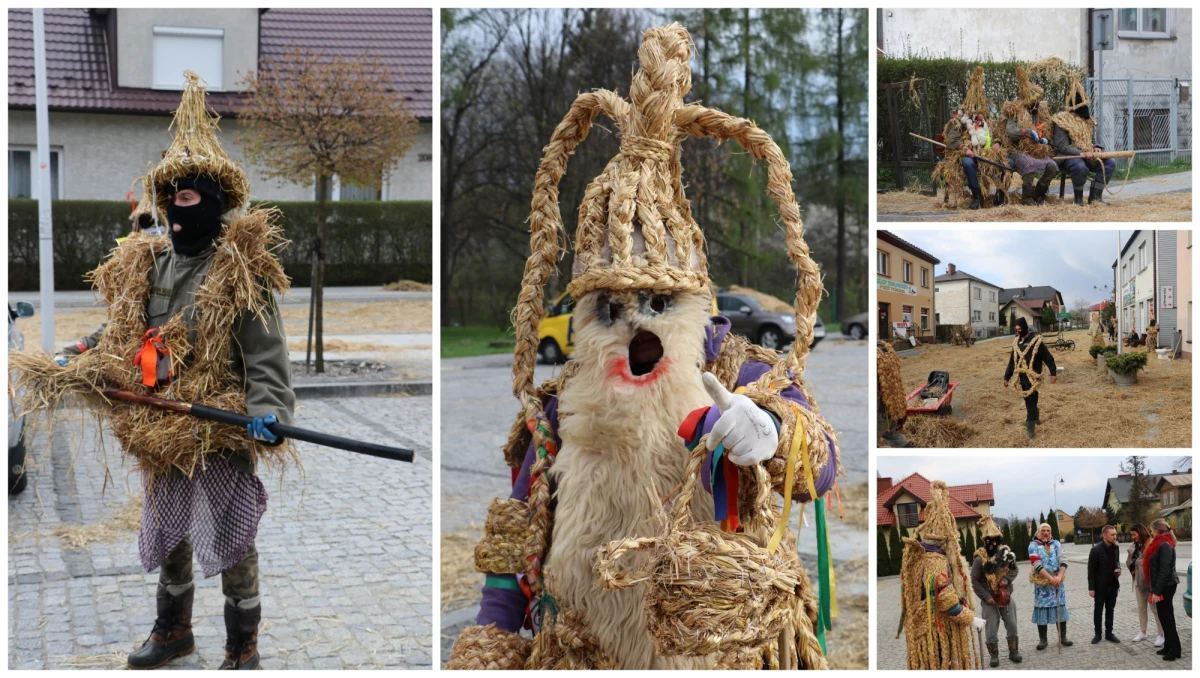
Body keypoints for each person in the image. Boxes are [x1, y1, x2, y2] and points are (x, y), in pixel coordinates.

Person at [446, 23, 839, 670]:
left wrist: (768, 431)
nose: (637, 327)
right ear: (584, 311)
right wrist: (494, 637)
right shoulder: (560, 405)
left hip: (718, 645)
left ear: (692, 297)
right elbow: (518, 534)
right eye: (612, 307)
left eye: (658, 302)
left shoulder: (737, 368)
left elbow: (817, 467)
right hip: (586, 648)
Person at [53, 72, 293, 670]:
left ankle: (243, 647)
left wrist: (270, 411)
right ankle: (173, 631)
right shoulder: (153, 265)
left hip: (220, 424)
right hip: (164, 422)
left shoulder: (240, 270)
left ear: (211, 202)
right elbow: (123, 332)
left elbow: (266, 356)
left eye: (186, 200)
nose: (174, 211)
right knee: (169, 535)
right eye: (169, 200)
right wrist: (79, 350)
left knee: (233, 536)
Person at [899, 481, 978, 669]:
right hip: (935, 629)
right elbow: (942, 594)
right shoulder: (934, 558)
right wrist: (968, 617)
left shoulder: (926, 554)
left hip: (927, 628)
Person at [1051, 78, 1117, 206]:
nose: (1081, 118)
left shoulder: (1087, 122)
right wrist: (1080, 153)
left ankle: (1095, 197)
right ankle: (1078, 200)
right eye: (1079, 116)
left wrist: (1096, 147)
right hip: (1068, 156)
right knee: (1079, 167)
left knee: (1109, 163)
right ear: (1073, 112)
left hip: (1088, 154)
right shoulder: (1061, 122)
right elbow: (1062, 145)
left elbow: (1089, 139)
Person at [999, 65, 1059, 204]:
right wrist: (1026, 132)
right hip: (1016, 150)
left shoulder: (1038, 114)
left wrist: (1044, 139)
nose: (1036, 103)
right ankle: (1027, 197)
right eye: (1034, 100)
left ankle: (1038, 194)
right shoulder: (1016, 111)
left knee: (1052, 166)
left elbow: (1044, 130)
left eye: (1038, 101)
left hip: (1035, 151)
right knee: (1028, 164)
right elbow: (1010, 131)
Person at [971, 515, 1022, 666]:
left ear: (999, 540)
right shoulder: (979, 559)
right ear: (984, 540)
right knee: (991, 628)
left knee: (1012, 624)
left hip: (1005, 596)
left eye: (995, 540)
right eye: (989, 540)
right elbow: (974, 580)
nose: (992, 543)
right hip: (989, 599)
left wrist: (1006, 580)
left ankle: (1014, 651)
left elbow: (1015, 570)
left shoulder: (1006, 555)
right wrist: (986, 597)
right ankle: (994, 655)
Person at [1003, 317, 1057, 439]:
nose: (1018, 332)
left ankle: (1030, 427)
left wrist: (1053, 373)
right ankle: (1034, 418)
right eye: (1016, 330)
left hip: (1033, 378)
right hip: (1021, 377)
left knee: (1031, 400)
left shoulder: (1036, 341)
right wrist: (1006, 377)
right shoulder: (1016, 343)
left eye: (1020, 329)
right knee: (1028, 400)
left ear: (1025, 328)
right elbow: (1012, 362)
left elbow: (1048, 357)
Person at [1028, 522, 1072, 650]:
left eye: (1048, 530)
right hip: (1042, 585)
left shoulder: (1056, 544)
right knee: (1042, 609)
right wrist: (1050, 578)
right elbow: (1036, 563)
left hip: (1057, 584)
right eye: (1043, 531)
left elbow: (1064, 559)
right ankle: (1043, 639)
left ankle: (1063, 637)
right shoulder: (1033, 545)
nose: (1046, 533)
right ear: (1039, 532)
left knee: (1060, 608)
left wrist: (1059, 577)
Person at [1146, 519, 1181, 661]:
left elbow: (1165, 570)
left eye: (1152, 530)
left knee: (1167, 618)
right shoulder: (1159, 543)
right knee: (1164, 617)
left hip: (1167, 585)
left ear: (1158, 529)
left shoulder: (1164, 544)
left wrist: (1156, 591)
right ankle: (1168, 645)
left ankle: (1175, 650)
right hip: (1162, 585)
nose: (1151, 532)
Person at [1127, 523, 1163, 645]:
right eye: (1131, 535)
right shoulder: (1135, 546)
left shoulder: (1151, 544)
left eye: (1134, 534)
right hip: (1138, 582)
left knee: (1155, 610)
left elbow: (1154, 564)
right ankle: (1143, 632)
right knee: (1141, 609)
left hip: (1150, 583)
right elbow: (1130, 562)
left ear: (1141, 532)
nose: (1132, 537)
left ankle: (1161, 634)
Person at [1087, 525, 1122, 644]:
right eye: (1112, 535)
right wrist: (1091, 588)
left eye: (1115, 534)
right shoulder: (1096, 550)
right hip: (1100, 586)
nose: (1115, 536)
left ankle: (1109, 633)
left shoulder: (1116, 547)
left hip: (1113, 585)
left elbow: (1117, 561)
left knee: (1110, 610)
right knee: (1098, 610)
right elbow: (1091, 570)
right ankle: (1097, 634)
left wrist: (1118, 568)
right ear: (1105, 535)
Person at [877, 340, 910, 447]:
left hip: (880, 414)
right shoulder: (887, 348)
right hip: (893, 410)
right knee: (892, 435)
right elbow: (897, 382)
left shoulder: (874, 355)